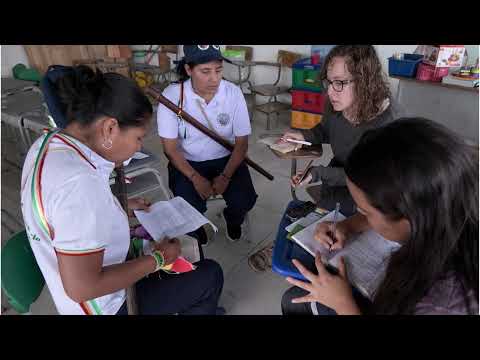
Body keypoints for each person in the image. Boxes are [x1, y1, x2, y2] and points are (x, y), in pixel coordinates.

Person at [20, 65, 224, 315]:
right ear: (109, 129)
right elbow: (82, 288)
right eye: (139, 138)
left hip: (85, 275)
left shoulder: (48, 142)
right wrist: (158, 260)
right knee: (210, 274)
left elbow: (63, 215)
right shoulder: (79, 184)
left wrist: (117, 205)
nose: (139, 146)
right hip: (105, 305)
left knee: (189, 249)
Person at [281, 118, 479, 315]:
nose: (362, 216)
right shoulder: (450, 208)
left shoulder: (439, 304)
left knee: (295, 302)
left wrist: (343, 304)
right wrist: (348, 226)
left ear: (409, 217)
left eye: (365, 212)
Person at [248, 45, 403, 272]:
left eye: (339, 82)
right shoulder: (338, 102)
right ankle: (297, 244)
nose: (330, 92)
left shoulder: (387, 123)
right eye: (329, 82)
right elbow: (325, 129)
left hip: (371, 189)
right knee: (323, 222)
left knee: (338, 234)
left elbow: (365, 178)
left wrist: (317, 173)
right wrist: (303, 136)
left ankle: (311, 253)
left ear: (364, 79)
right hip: (339, 177)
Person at [157, 45, 257, 244]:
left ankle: (232, 219)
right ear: (188, 70)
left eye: (218, 70)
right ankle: (198, 224)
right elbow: (170, 149)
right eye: (205, 71)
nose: (214, 79)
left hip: (226, 158)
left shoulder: (232, 93)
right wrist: (195, 178)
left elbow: (242, 144)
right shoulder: (171, 97)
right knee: (187, 205)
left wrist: (226, 176)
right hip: (188, 162)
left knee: (244, 199)